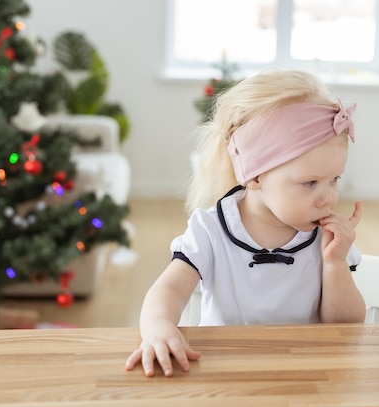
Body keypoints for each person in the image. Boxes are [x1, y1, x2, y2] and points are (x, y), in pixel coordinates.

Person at [125, 69, 366, 377]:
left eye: (335, 179)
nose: (327, 198)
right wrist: (157, 326)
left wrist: (335, 264)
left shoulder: (328, 239)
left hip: (305, 376)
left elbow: (345, 327)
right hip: (223, 374)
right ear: (253, 176)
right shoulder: (210, 230)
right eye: (310, 183)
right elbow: (169, 289)